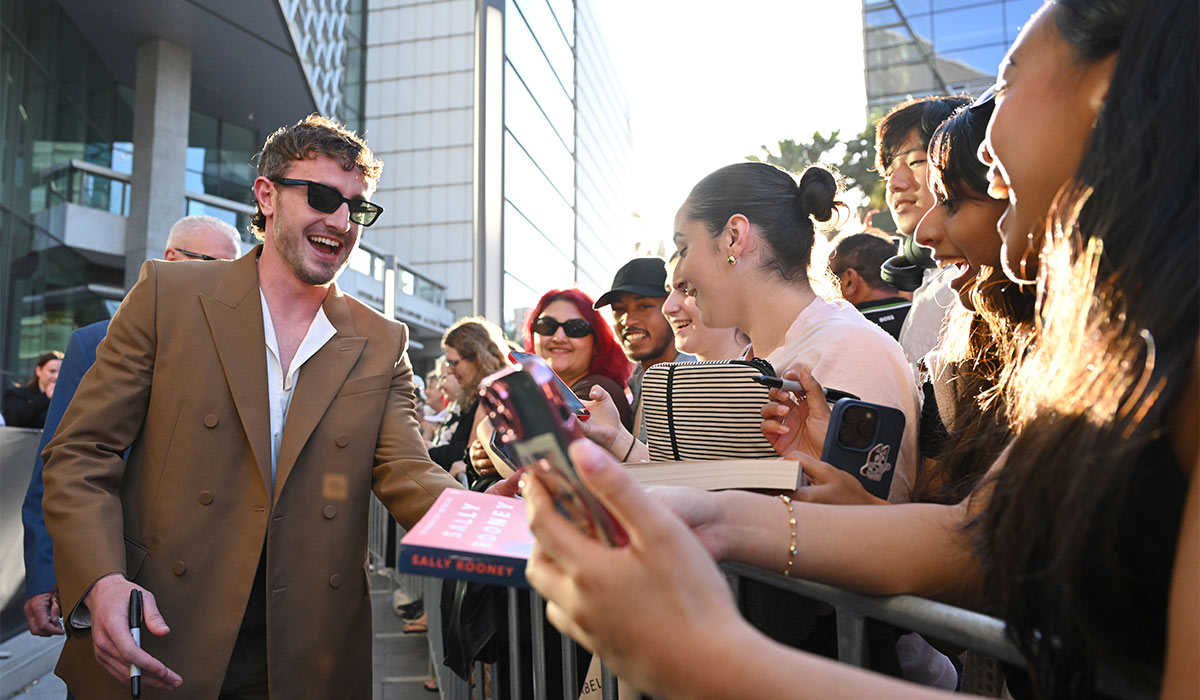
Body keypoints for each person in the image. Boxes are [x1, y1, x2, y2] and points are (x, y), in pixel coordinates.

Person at [520, 0, 1198, 697]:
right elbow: (971, 537)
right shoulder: (1102, 354)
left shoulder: (849, 347)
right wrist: (701, 515)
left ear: (1111, 89)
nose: (983, 147)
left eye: (1010, 76)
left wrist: (700, 654)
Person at [40, 115, 484, 699]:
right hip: (160, 627)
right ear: (266, 195)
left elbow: (408, 470)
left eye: (358, 208)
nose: (341, 222)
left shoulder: (381, 341)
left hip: (303, 649)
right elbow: (81, 454)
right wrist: (100, 580)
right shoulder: (166, 297)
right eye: (322, 197)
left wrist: (488, 522)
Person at [21, 216, 241, 644]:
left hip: (204, 590)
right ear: (170, 259)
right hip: (106, 570)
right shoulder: (95, 344)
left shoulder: (238, 355)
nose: (224, 282)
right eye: (211, 264)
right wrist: (45, 574)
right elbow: (60, 464)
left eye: (232, 271)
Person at [875, 95, 971, 377]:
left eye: (916, 161)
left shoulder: (955, 286)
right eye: (889, 171)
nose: (895, 183)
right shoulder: (932, 278)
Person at [593, 257, 696, 440]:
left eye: (644, 306)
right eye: (618, 309)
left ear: (671, 308)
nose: (627, 320)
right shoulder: (640, 377)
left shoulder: (692, 380)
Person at [523, 288, 634, 431]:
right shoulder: (546, 394)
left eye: (575, 328)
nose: (559, 338)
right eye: (546, 325)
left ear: (596, 344)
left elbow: (540, 449)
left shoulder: (597, 391)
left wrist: (486, 433)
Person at [432, 317, 509, 486]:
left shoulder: (495, 392)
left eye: (454, 363)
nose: (450, 370)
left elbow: (470, 450)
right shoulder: (476, 395)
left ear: (476, 358)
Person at [662, 253, 749, 361]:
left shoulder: (771, 374)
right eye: (669, 291)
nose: (666, 308)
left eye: (686, 289)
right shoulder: (671, 376)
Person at [827, 233, 912, 340]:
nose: (828, 286)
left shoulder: (836, 332)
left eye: (831, 277)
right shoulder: (925, 315)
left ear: (849, 280)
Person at [2, 351, 63, 428]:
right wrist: (45, 397)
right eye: (52, 371)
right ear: (38, 371)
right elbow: (14, 421)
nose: (56, 377)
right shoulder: (16, 394)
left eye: (61, 373)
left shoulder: (66, 399)